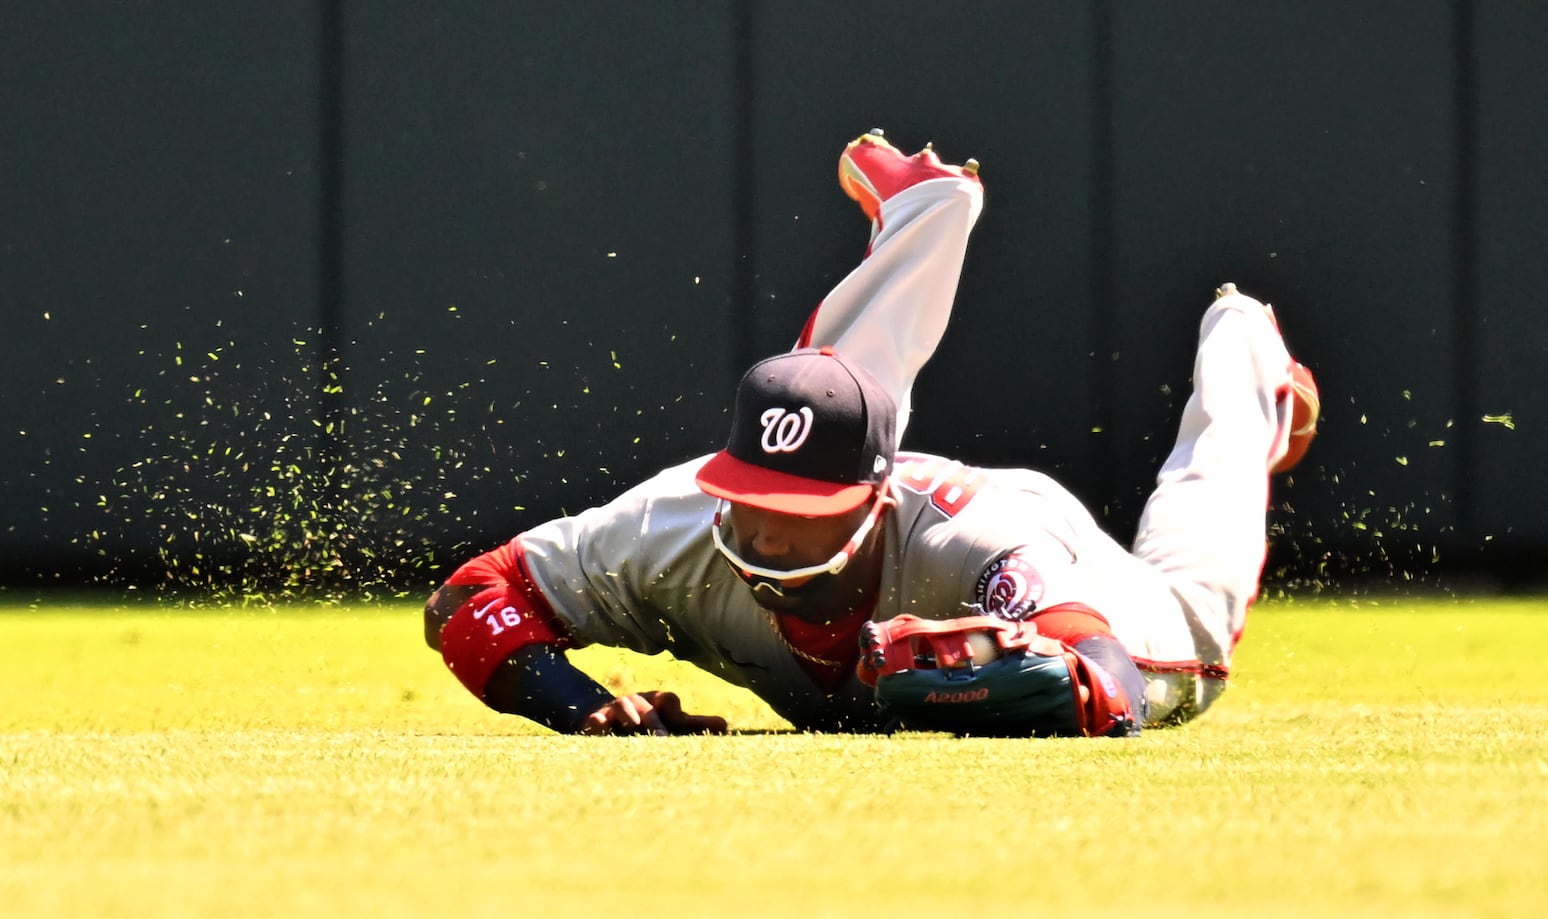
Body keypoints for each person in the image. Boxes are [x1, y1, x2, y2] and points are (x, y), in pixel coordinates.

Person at [422, 129, 1320, 737]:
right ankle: (927, 216)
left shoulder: (980, 546)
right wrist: (585, 709)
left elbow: (1113, 687)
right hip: (896, 491)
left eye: (799, 510)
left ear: (867, 501)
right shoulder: (679, 521)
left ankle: (1248, 360)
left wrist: (994, 681)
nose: (764, 529)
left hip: (1058, 572)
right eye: (751, 498)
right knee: (835, 396)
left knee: (1201, 570)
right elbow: (468, 601)